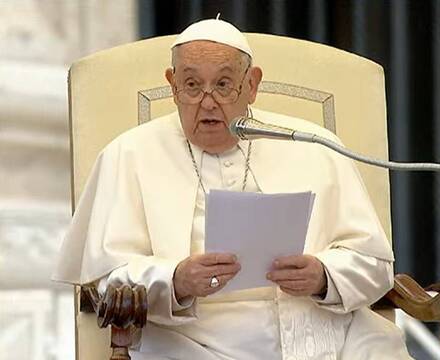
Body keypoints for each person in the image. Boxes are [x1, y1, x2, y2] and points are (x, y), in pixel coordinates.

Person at [53, 18, 413, 360]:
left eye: (223, 85)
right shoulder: (128, 154)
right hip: (194, 343)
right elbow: (105, 283)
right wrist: (176, 280)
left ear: (252, 85)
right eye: (192, 85)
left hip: (326, 335)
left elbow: (375, 266)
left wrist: (323, 276)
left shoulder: (315, 145)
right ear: (172, 84)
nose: (207, 102)